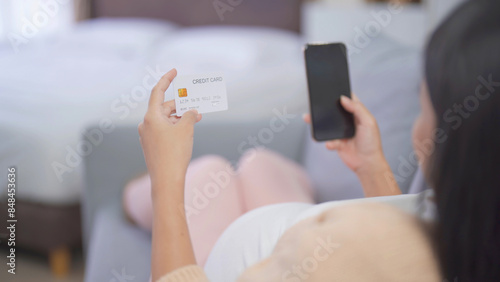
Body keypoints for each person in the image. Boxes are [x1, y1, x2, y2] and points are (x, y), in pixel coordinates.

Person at [129, 0, 500, 281]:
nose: (418, 125)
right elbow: (403, 223)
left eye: (422, 108)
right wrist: (372, 169)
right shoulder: (462, 222)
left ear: (460, 144)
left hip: (231, 262)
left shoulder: (356, 252)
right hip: (293, 228)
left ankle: (134, 194)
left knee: (209, 174)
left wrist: (166, 179)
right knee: (259, 161)